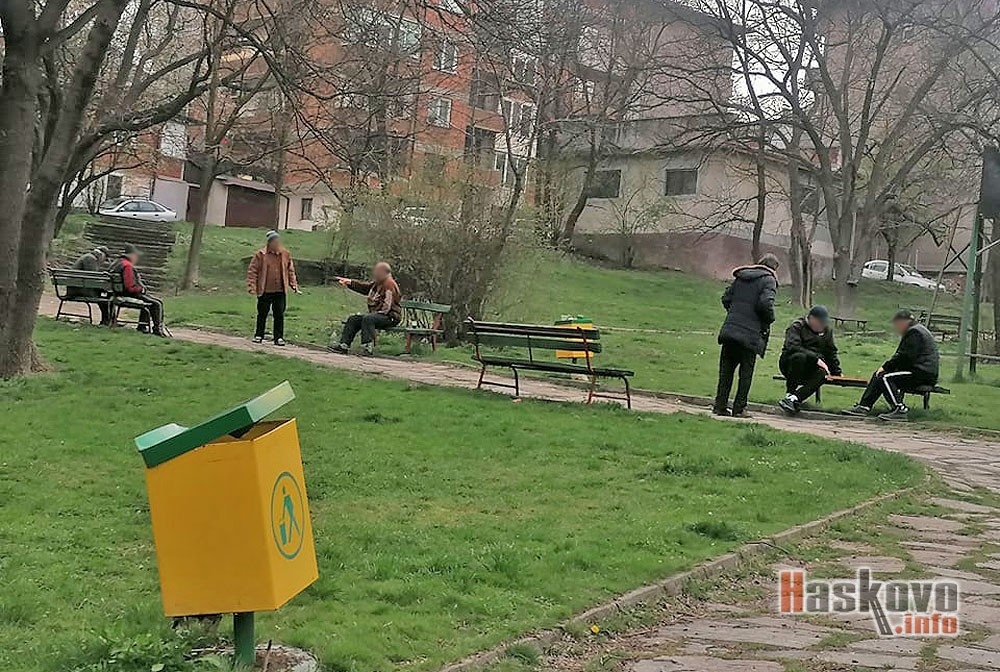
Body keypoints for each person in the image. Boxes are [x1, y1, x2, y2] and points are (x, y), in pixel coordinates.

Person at [713, 253, 780, 417]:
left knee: (726, 372)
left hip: (730, 330)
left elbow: (726, 298)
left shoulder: (741, 277)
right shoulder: (768, 280)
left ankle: (720, 406)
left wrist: (734, 313)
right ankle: (739, 408)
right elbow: (765, 304)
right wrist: (768, 319)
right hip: (750, 333)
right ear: (774, 268)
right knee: (745, 374)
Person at [842, 310, 939, 421]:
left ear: (903, 322)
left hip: (922, 373)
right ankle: (864, 406)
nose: (896, 328)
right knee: (879, 374)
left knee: (885, 377)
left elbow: (905, 357)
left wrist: (886, 367)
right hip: (920, 370)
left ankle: (900, 409)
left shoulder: (914, 333)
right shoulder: (916, 330)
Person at [777, 305, 842, 415]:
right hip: (791, 364)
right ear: (811, 319)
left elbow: (830, 352)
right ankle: (790, 392)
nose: (823, 326)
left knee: (822, 373)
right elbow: (793, 347)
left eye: (824, 323)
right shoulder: (797, 327)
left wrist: (837, 372)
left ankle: (794, 399)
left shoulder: (827, 332)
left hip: (812, 368)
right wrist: (815, 359)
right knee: (799, 357)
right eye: (820, 323)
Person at [328, 262, 402, 356]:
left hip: (390, 317)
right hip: (377, 315)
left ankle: (367, 348)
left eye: (377, 272)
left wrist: (375, 314)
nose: (375, 274)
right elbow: (365, 288)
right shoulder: (378, 283)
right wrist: (349, 282)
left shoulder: (389, 284)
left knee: (368, 319)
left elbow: (387, 305)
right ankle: (344, 346)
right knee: (353, 319)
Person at [246, 230, 299, 346]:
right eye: (274, 242)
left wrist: (293, 284)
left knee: (279, 314)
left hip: (280, 290)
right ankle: (259, 335)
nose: (277, 244)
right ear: (269, 243)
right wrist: (251, 286)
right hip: (265, 290)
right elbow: (252, 271)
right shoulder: (260, 255)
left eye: (278, 241)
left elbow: (290, 271)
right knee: (262, 313)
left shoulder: (285, 254)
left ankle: (278, 337)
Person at [109, 244, 167, 336]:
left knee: (150, 300)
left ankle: (143, 326)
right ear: (131, 255)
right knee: (157, 303)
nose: (137, 258)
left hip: (116, 293)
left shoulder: (116, 263)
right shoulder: (127, 266)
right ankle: (157, 329)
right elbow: (130, 287)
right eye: (136, 255)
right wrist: (141, 289)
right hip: (127, 294)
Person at [70, 246, 112, 325]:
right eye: (105, 259)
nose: (103, 261)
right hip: (78, 290)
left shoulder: (89, 257)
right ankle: (107, 321)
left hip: (76, 288)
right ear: (101, 254)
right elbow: (93, 278)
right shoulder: (90, 259)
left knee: (104, 296)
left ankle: (108, 320)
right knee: (105, 299)